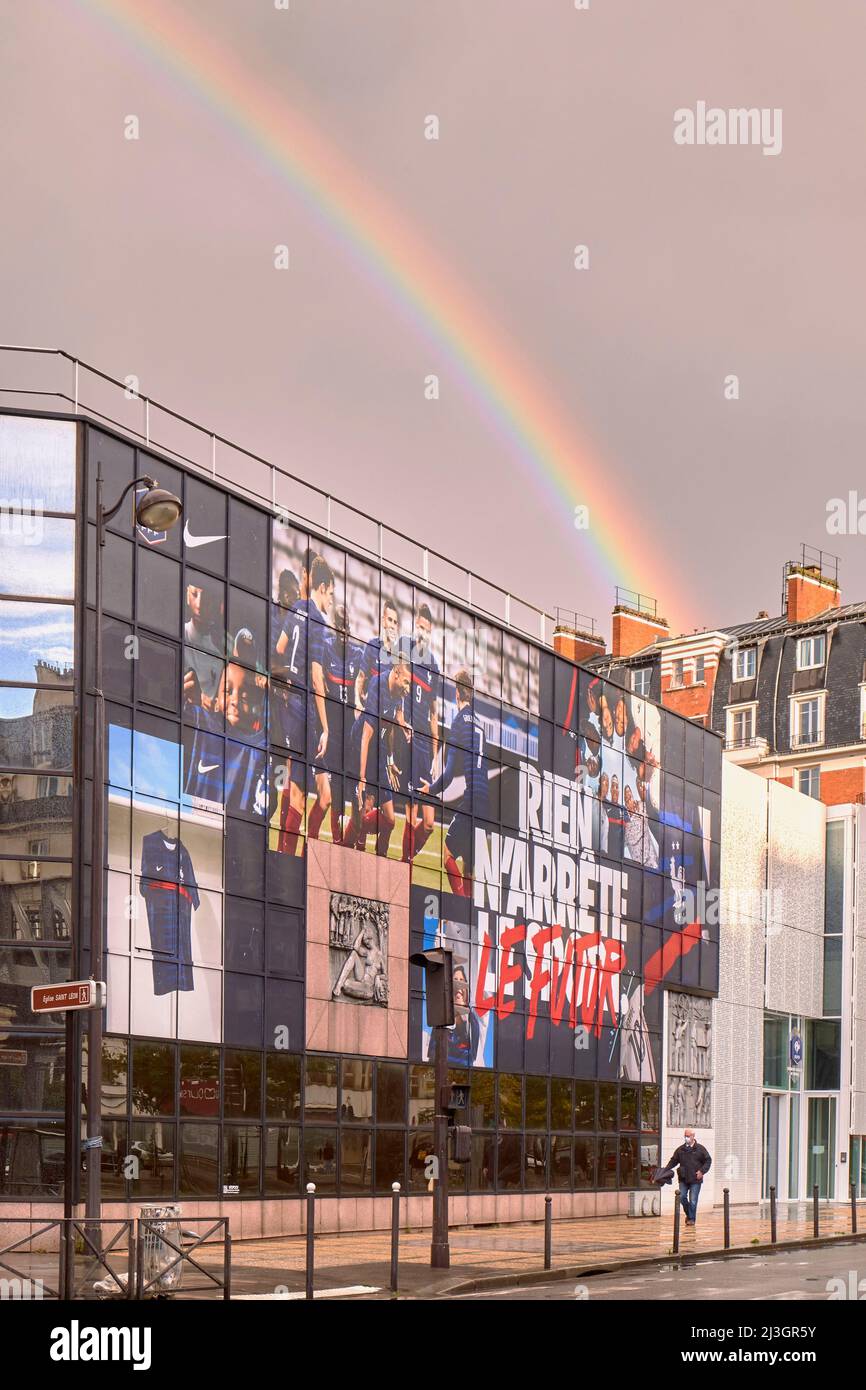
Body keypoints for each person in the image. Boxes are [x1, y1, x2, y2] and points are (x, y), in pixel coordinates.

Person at [665, 1128, 712, 1227]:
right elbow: (673, 1161)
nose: (686, 1138)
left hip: (696, 1179)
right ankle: (690, 1215)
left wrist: (702, 1171)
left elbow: (708, 1160)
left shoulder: (700, 1149)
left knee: (693, 1201)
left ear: (693, 1136)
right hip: (683, 1178)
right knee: (682, 1197)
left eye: (688, 1136)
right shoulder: (680, 1149)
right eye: (685, 1136)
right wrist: (665, 1170)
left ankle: (691, 1219)